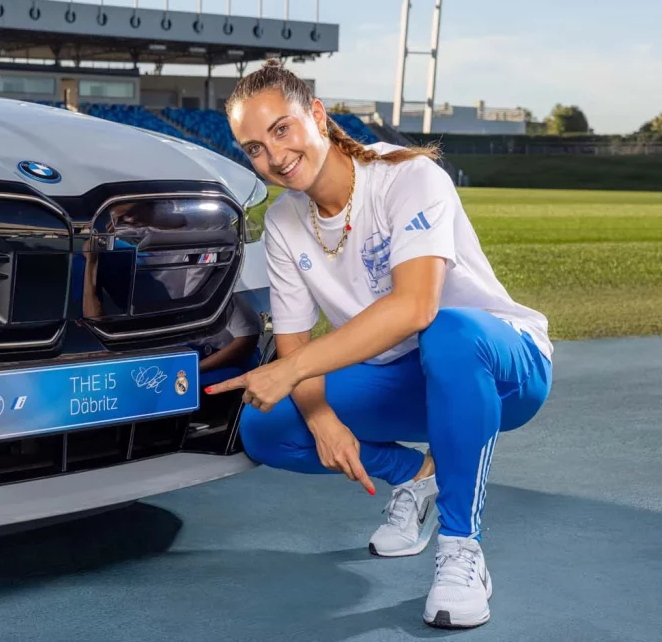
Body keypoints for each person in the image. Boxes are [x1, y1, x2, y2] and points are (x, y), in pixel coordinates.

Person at [207, 59, 553, 630]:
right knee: (267, 429)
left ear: (316, 115)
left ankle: (461, 548)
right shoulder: (285, 224)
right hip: (408, 377)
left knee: (446, 329)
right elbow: (294, 344)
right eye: (253, 148)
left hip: (502, 363)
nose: (272, 155)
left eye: (281, 129)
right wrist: (321, 421)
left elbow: (415, 307)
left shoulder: (407, 175)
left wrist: (288, 375)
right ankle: (418, 476)